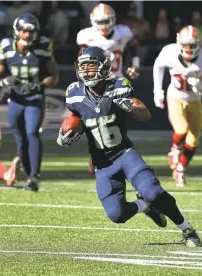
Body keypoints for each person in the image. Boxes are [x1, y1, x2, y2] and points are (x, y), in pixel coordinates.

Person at [57, 46, 201, 247]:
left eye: (91, 66)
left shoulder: (118, 85)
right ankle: (145, 206)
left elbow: (145, 113)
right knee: (117, 214)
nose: (87, 71)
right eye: (83, 67)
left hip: (124, 154)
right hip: (102, 164)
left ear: (104, 67)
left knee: (154, 192)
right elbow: (74, 119)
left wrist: (131, 107)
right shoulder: (74, 93)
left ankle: (187, 228)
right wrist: (65, 134)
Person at [0, 13, 59, 192]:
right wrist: (3, 83)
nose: (27, 35)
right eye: (24, 31)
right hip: (16, 98)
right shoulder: (6, 47)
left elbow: (54, 76)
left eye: (31, 31)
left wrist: (40, 85)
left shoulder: (43, 46)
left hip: (35, 97)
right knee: (20, 139)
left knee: (32, 132)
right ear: (16, 31)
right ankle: (28, 175)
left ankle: (35, 176)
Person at [76, 3, 141, 175]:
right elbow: (81, 59)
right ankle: (97, 156)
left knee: (116, 122)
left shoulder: (123, 32)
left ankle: (112, 157)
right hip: (96, 85)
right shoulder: (87, 36)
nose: (104, 25)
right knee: (98, 123)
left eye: (107, 21)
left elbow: (134, 48)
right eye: (100, 21)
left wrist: (134, 65)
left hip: (116, 83)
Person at [152, 25, 202, 187]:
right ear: (179, 43)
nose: (188, 48)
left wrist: (201, 88)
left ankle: (180, 169)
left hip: (195, 99)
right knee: (181, 128)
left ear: (199, 45)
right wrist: (157, 91)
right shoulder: (170, 52)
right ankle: (175, 148)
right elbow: (158, 66)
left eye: (192, 45)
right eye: (185, 44)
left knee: (194, 140)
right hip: (175, 96)